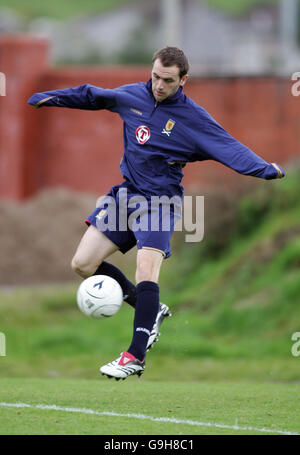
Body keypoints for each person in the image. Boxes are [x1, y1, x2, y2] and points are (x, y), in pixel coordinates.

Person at [28, 46, 285, 380]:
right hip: (126, 196)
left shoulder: (193, 118)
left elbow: (228, 146)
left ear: (183, 80)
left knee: (146, 270)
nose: (159, 86)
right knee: (82, 264)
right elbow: (93, 96)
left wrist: (264, 169)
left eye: (167, 80)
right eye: (155, 77)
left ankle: (135, 354)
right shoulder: (134, 95)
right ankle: (150, 310)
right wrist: (51, 97)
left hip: (160, 202)